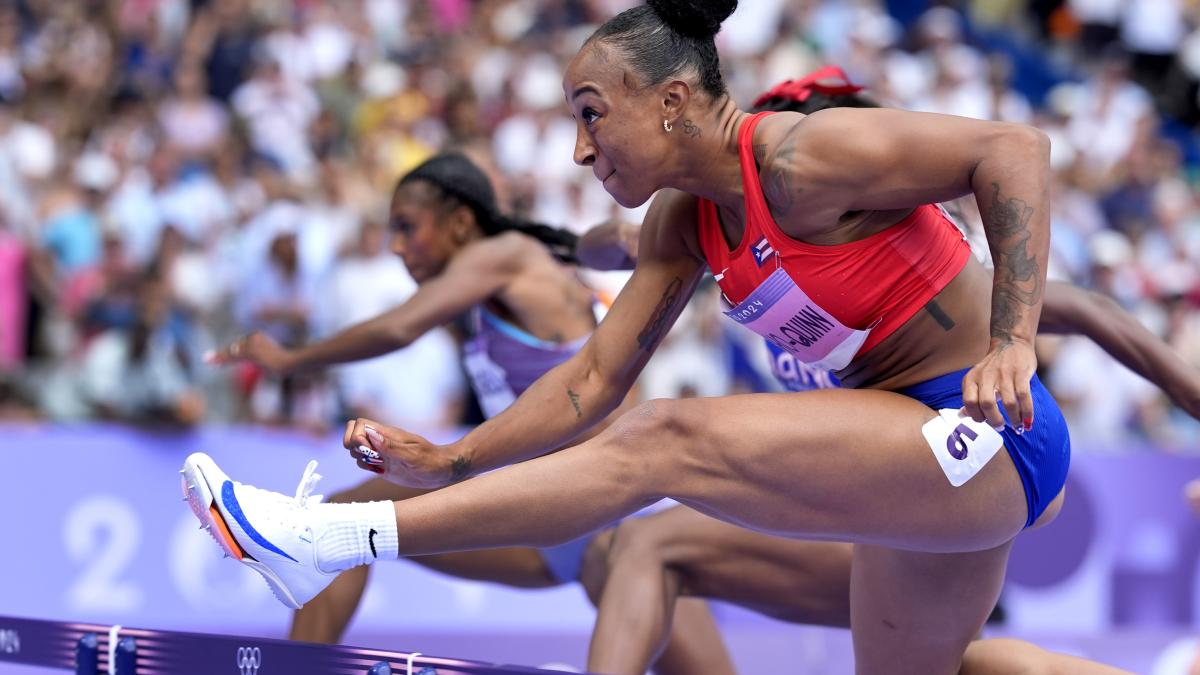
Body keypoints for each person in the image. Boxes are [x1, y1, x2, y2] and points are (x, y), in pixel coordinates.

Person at [184, 3, 1079, 672]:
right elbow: (592, 381)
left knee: (662, 440)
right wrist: (454, 458)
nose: (580, 148)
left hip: (984, 427)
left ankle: (332, 538)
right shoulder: (684, 222)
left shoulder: (803, 159)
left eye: (590, 112)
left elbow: (1014, 148)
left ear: (672, 103)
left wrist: (1013, 337)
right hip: (911, 455)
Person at [572, 67, 1184, 675]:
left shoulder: (893, 260)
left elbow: (1094, 310)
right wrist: (597, 240)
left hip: (928, 495)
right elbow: (614, 241)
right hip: (862, 503)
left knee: (650, 544)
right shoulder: (737, 240)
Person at [204, 151, 728, 673]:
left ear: (459, 223)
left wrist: (289, 360)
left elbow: (398, 327)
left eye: (408, 227)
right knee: (337, 529)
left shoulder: (504, 254)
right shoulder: (499, 281)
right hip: (543, 512)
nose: (396, 246)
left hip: (611, 511)